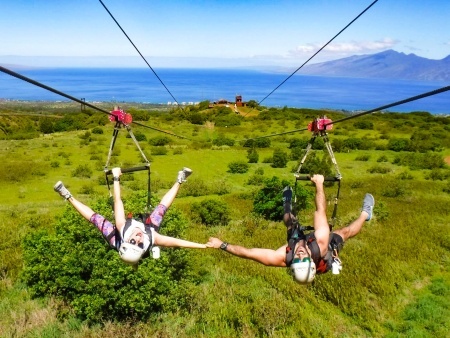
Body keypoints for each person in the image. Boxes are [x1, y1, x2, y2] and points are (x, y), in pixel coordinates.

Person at [207, 174, 374, 284]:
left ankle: (286, 202)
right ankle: (366, 214)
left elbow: (248, 253)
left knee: (290, 222)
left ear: (291, 263)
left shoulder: (281, 257)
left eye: (296, 260)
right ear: (311, 261)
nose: (300, 255)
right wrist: (319, 184)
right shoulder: (322, 244)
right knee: (344, 233)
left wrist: (221, 244)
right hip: (325, 249)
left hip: (302, 242)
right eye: (304, 260)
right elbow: (320, 211)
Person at [54, 167, 207, 265]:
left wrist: (116, 178)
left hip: (118, 238)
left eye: (133, 240)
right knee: (161, 209)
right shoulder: (152, 239)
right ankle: (180, 180)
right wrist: (204, 246)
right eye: (139, 243)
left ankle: (67, 195)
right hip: (147, 231)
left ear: (128, 239)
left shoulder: (122, 230)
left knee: (96, 219)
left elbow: (117, 200)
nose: (138, 238)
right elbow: (179, 242)